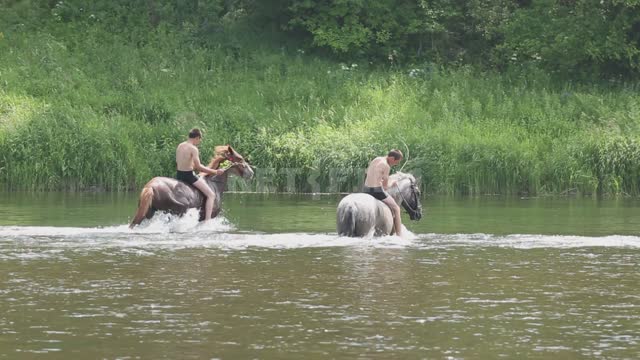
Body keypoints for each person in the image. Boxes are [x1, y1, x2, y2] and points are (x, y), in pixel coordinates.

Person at [176, 128, 224, 221]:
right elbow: (199, 167)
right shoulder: (193, 149)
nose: (200, 141)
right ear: (197, 137)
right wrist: (215, 172)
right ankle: (207, 221)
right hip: (188, 176)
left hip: (179, 175)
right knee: (211, 195)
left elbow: (178, 162)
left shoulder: (180, 145)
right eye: (200, 139)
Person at [363, 149, 404, 236]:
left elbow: (368, 173)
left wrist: (379, 179)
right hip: (377, 191)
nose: (396, 164)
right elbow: (385, 187)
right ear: (392, 158)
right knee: (396, 208)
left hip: (366, 190)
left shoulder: (376, 159)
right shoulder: (387, 166)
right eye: (397, 162)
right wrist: (392, 183)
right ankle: (399, 235)